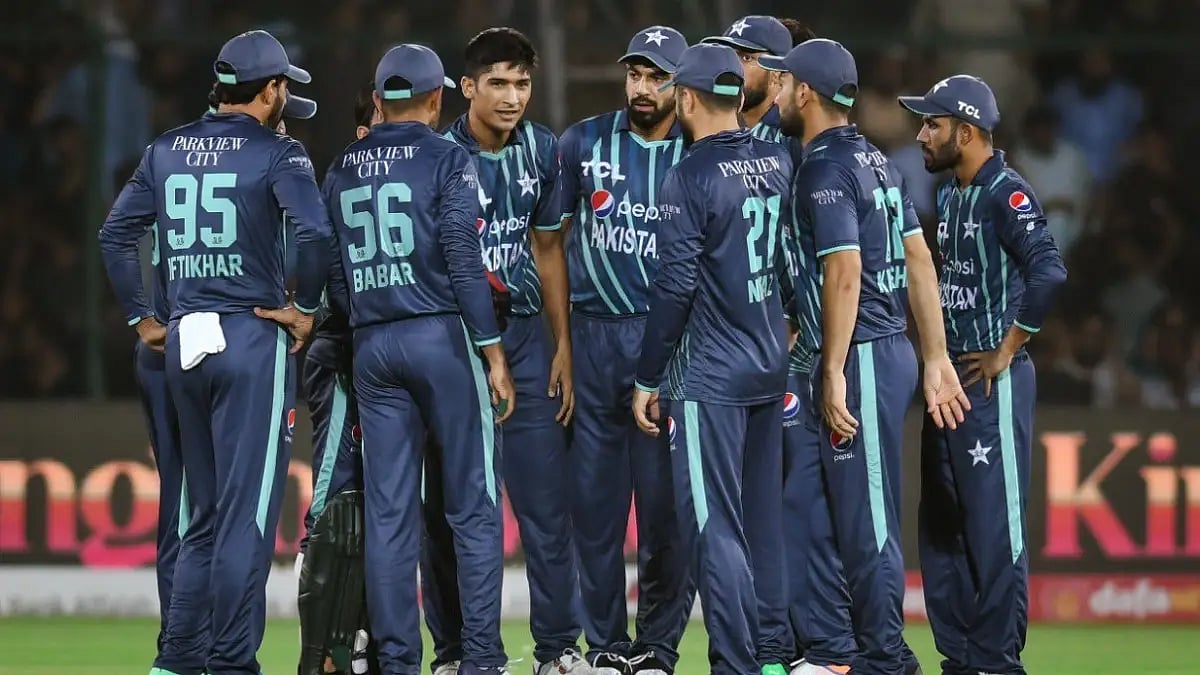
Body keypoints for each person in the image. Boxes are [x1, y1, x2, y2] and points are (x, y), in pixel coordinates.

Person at [99, 29, 332, 675]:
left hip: (182, 339)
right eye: (284, 84)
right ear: (270, 90)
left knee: (197, 518)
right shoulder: (279, 154)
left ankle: (176, 659)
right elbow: (313, 231)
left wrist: (142, 317)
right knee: (245, 519)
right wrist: (306, 308)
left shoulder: (165, 148)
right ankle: (232, 663)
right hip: (250, 334)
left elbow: (116, 234)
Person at [761, 39, 968, 675]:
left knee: (865, 512)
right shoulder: (878, 162)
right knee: (806, 503)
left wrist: (831, 368)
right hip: (866, 350)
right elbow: (918, 258)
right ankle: (831, 652)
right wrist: (932, 356)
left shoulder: (823, 168)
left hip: (863, 355)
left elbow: (845, 272)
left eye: (782, 84)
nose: (774, 95)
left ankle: (885, 657)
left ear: (803, 93)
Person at [322, 43, 515, 675]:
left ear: (378, 101)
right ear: (438, 100)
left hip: (374, 345)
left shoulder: (343, 165)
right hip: (442, 337)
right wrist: (493, 352)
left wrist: (363, 330)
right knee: (473, 507)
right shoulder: (446, 156)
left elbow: (334, 271)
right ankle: (481, 659)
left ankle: (398, 661)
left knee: (389, 515)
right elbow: (463, 258)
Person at [422, 27, 582, 675]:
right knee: (448, 512)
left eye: (522, 83)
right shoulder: (434, 157)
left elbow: (548, 250)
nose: (513, 96)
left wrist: (563, 342)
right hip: (452, 343)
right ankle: (455, 650)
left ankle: (557, 649)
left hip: (520, 339)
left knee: (546, 504)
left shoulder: (543, 149)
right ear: (468, 88)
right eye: (498, 83)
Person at [631, 43, 792, 675]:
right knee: (761, 524)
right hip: (766, 363)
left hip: (711, 377)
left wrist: (648, 377)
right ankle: (772, 655)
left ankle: (736, 665)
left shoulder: (690, 175)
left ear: (687, 99)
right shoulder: (774, 159)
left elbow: (674, 289)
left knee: (714, 528)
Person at [899, 74, 1068, 675]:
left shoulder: (1005, 192)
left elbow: (1049, 273)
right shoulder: (950, 193)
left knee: (995, 529)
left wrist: (1006, 349)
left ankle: (996, 661)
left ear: (966, 132)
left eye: (933, 124)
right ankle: (959, 657)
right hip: (950, 380)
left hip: (991, 384)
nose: (921, 134)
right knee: (943, 525)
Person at [556, 24, 694, 675]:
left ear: (680, 83)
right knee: (595, 509)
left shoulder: (699, 152)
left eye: (658, 76)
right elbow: (547, 243)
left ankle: (658, 646)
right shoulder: (582, 143)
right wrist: (560, 343)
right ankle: (606, 644)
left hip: (664, 343)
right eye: (636, 74)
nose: (643, 87)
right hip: (592, 337)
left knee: (665, 511)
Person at [295, 81, 381, 675]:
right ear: (361, 133)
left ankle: (367, 648)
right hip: (346, 356)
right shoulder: (342, 182)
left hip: (382, 357)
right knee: (333, 505)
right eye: (383, 116)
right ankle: (319, 655)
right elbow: (333, 281)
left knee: (387, 511)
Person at [701, 15, 793, 143]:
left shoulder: (793, 133)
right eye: (729, 55)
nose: (731, 66)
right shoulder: (709, 126)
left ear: (776, 74)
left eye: (746, 58)